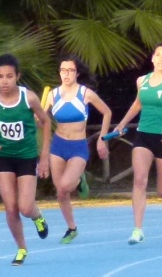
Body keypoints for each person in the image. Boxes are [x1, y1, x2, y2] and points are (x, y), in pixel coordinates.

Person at [110, 43, 162, 243]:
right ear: (152, 57)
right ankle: (137, 229)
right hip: (143, 136)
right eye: (158, 55)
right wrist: (121, 124)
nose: (160, 59)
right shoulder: (142, 81)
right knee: (139, 180)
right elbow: (138, 104)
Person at [0, 54, 52, 266]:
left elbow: (45, 122)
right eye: (0, 77)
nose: (4, 81)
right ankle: (21, 248)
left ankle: (37, 216)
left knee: (25, 207)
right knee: (11, 207)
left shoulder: (28, 98)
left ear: (17, 76)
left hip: (27, 156)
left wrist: (45, 156)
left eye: (9, 76)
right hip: (4, 157)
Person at [42, 56, 112, 243]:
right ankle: (72, 228)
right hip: (58, 145)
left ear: (77, 73)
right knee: (60, 191)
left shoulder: (85, 93)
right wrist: (36, 119)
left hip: (78, 146)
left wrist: (102, 139)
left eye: (70, 70)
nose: (66, 74)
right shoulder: (52, 95)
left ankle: (80, 179)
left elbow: (107, 112)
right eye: (63, 70)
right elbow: (42, 118)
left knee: (65, 186)